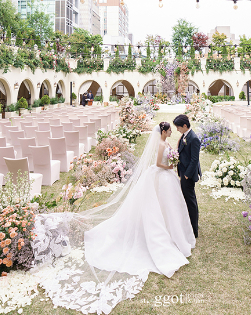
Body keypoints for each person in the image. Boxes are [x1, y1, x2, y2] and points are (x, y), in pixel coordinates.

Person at [31, 122, 195, 314]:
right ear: (164, 131)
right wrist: (169, 166)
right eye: (169, 130)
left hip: (166, 178)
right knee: (155, 206)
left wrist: (172, 161)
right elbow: (159, 163)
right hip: (161, 174)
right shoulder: (160, 145)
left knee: (169, 206)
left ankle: (172, 229)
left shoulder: (167, 143)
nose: (170, 132)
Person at [173, 114, 201, 238]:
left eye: (178, 127)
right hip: (183, 172)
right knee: (189, 200)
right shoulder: (185, 136)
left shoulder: (193, 138)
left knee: (190, 201)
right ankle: (191, 224)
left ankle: (194, 229)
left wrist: (187, 175)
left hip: (188, 175)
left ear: (185, 126)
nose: (177, 129)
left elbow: (195, 160)